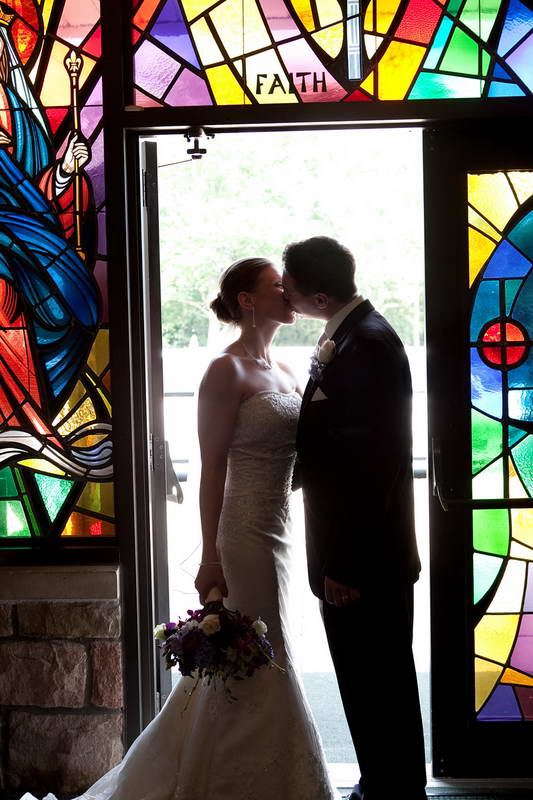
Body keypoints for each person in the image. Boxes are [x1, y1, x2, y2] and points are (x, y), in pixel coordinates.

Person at [20, 257, 339, 800]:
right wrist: (211, 557)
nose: (290, 295)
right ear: (246, 300)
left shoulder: (289, 369)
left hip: (282, 531)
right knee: (264, 652)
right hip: (240, 534)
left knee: (270, 650)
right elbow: (211, 467)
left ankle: (247, 770)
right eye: (278, 287)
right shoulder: (225, 371)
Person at [282, 236, 427, 800]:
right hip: (363, 553)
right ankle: (387, 782)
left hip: (362, 559)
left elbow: (368, 468)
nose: (285, 295)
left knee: (375, 682)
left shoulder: (364, 346)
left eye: (290, 285)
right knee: (374, 680)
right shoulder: (352, 333)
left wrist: (343, 564)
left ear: (317, 293)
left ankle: (391, 789)